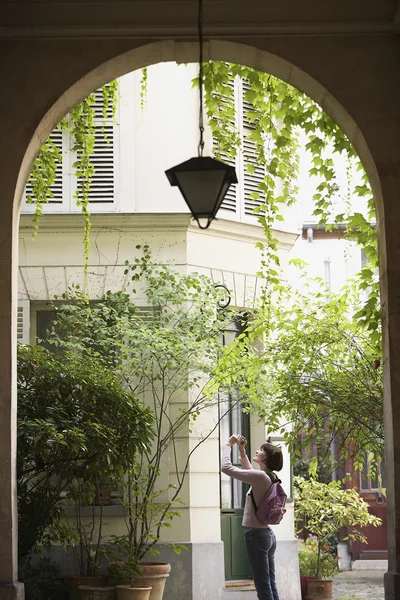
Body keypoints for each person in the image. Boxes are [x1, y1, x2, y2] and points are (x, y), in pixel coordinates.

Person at [221, 434, 283, 600]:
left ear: (267, 457)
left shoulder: (261, 477)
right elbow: (250, 472)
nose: (257, 450)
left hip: (256, 536)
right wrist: (242, 451)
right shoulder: (270, 477)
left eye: (261, 450)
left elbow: (226, 468)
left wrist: (228, 445)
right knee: (270, 584)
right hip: (267, 536)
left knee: (263, 589)